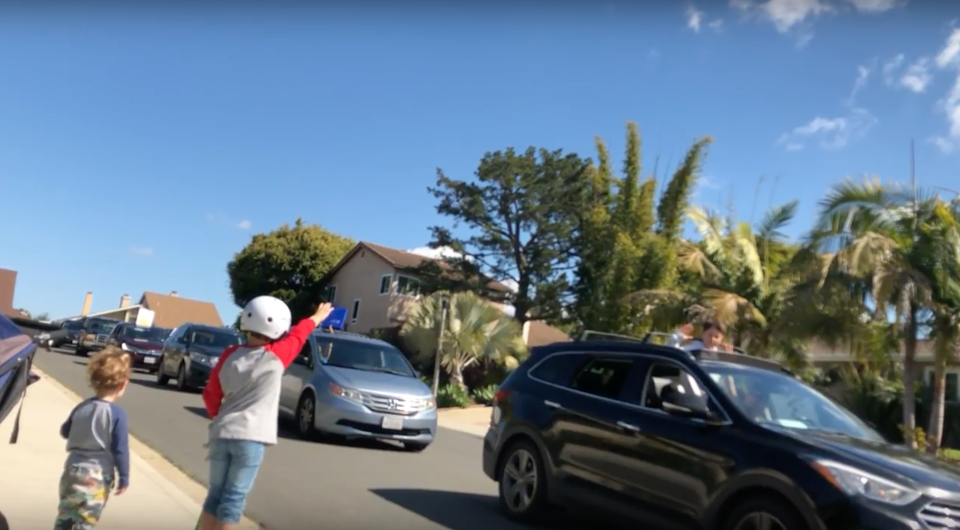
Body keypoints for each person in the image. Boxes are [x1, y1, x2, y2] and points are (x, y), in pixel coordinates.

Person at [199, 297, 334, 530]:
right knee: (233, 499)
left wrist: (216, 417)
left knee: (215, 495)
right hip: (251, 436)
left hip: (221, 432)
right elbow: (298, 335)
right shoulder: (276, 355)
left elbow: (211, 393)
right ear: (278, 326)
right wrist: (316, 318)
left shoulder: (229, 355)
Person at [55, 347, 132, 530]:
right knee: (85, 520)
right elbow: (120, 448)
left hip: (72, 470)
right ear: (122, 386)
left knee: (66, 516)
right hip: (97, 475)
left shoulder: (82, 406)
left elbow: (65, 431)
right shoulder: (117, 414)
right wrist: (124, 476)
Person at [666, 320, 734, 352]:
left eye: (716, 337)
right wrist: (679, 335)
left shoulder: (720, 354)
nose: (712, 339)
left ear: (721, 338)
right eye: (709, 335)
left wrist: (728, 355)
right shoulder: (695, 348)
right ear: (703, 334)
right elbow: (673, 352)